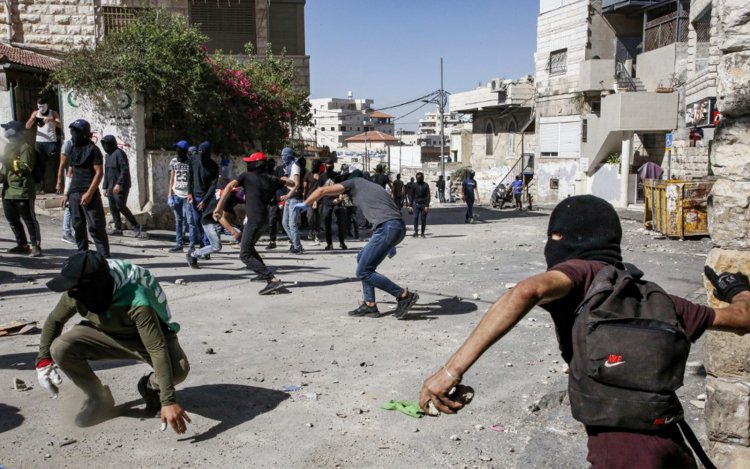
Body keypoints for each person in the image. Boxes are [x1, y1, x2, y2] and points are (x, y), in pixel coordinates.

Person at [418, 195, 750, 469]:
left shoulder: (581, 274)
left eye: (553, 237)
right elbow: (741, 317)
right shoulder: (656, 296)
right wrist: (736, 288)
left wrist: (449, 371)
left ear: (561, 238)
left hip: (617, 457)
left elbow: (525, 291)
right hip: (674, 450)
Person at [36, 251, 191, 431]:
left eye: (76, 288)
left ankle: (149, 387)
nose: (71, 292)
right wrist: (43, 360)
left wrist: (168, 400)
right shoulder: (76, 291)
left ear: (94, 287)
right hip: (104, 334)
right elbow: (55, 320)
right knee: (60, 348)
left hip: (143, 338)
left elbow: (156, 348)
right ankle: (99, 398)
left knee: (177, 371)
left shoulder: (135, 297)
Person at [298, 170, 419, 319]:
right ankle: (370, 305)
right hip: (395, 227)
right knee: (362, 259)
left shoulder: (354, 182)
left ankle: (404, 295)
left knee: (363, 272)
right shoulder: (376, 188)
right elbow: (388, 210)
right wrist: (391, 241)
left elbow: (322, 190)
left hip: (388, 228)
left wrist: (305, 204)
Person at [215, 152, 295, 295]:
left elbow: (228, 187)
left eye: (250, 162)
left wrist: (219, 207)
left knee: (244, 254)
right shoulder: (272, 179)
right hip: (263, 220)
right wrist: (283, 179)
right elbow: (293, 183)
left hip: (253, 220)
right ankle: (263, 274)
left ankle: (272, 280)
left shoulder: (246, 177)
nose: (247, 164)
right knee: (249, 248)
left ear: (257, 164)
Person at [64, 119, 110, 257]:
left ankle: (105, 259)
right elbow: (70, 172)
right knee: (77, 226)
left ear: (84, 134)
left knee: (96, 227)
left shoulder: (93, 150)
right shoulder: (73, 149)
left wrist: (90, 193)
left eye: (77, 131)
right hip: (73, 193)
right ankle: (82, 257)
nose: (73, 134)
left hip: (89, 193)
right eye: (72, 131)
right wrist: (66, 193)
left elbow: (99, 172)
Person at [1, 121, 42, 256]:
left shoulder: (25, 148)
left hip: (22, 190)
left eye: (8, 129)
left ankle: (36, 246)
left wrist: (8, 160)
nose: (6, 132)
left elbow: (26, 167)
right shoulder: (7, 147)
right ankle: (22, 244)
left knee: (29, 219)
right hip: (8, 191)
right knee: (12, 219)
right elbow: (4, 171)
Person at [186, 185, 243, 269]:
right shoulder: (230, 196)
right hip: (209, 222)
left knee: (243, 237)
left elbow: (228, 208)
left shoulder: (231, 194)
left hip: (218, 221)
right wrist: (233, 232)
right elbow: (219, 216)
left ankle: (250, 261)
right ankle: (192, 254)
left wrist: (236, 219)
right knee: (216, 246)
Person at [101, 135, 141, 237]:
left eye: (107, 144)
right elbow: (107, 172)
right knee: (113, 207)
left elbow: (124, 170)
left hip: (121, 185)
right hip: (110, 185)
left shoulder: (119, 154)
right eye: (104, 144)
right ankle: (118, 228)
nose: (105, 146)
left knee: (120, 206)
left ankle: (135, 225)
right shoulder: (107, 156)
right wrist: (104, 186)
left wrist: (119, 183)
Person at [167, 140, 198, 253]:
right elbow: (171, 178)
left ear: (184, 151)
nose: (177, 151)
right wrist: (169, 194)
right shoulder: (173, 161)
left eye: (179, 149)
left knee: (190, 221)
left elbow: (194, 179)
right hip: (176, 194)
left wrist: (192, 194)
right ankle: (178, 244)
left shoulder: (190, 162)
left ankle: (192, 246)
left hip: (187, 195)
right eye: (176, 149)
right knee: (178, 220)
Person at [24, 97, 60, 193]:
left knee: (53, 165)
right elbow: (27, 126)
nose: (41, 108)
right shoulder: (36, 113)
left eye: (43, 106)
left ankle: (57, 187)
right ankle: (40, 187)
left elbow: (59, 124)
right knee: (39, 165)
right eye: (39, 106)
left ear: (47, 105)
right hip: (39, 142)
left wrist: (51, 120)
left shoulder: (53, 113)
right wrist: (32, 119)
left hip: (51, 142)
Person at [187, 141, 219, 248]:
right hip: (195, 197)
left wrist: (204, 201)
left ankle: (206, 245)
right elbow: (190, 178)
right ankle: (203, 243)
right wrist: (189, 193)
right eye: (199, 152)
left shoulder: (214, 166)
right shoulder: (193, 160)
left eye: (203, 153)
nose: (201, 155)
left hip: (207, 199)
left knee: (205, 222)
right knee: (196, 221)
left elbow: (212, 186)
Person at [280, 147, 305, 254]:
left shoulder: (295, 166)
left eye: (284, 155)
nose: (283, 158)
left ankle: (297, 246)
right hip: (290, 197)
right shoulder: (288, 167)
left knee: (292, 223)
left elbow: (297, 184)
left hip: (294, 197)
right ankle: (295, 242)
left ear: (289, 156)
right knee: (285, 223)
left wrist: (287, 195)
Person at [321, 160, 347, 250]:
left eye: (330, 165)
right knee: (327, 223)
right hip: (327, 202)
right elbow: (319, 189)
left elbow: (342, 187)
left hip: (337, 202)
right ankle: (329, 244)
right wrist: (316, 201)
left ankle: (342, 242)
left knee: (340, 222)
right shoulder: (322, 176)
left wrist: (340, 198)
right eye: (327, 165)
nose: (329, 167)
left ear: (333, 166)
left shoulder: (337, 176)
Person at [56, 137, 75, 244]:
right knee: (69, 206)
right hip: (71, 179)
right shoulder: (69, 144)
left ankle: (79, 233)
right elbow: (62, 165)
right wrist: (59, 181)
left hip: (81, 180)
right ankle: (66, 232)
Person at [303, 158, 324, 245]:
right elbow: (305, 187)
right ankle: (312, 230)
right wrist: (304, 199)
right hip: (310, 199)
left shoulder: (322, 175)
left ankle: (317, 235)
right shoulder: (308, 174)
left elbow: (322, 188)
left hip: (320, 200)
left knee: (318, 218)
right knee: (310, 216)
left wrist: (319, 179)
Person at [265, 157, 284, 250]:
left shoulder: (276, 173)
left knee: (273, 220)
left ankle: (272, 241)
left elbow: (278, 186)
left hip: (274, 200)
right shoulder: (263, 173)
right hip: (264, 200)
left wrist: (277, 198)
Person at [408, 172, 430, 238]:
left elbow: (428, 195)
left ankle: (422, 233)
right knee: (415, 218)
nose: (419, 180)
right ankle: (416, 232)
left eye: (420, 178)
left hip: (423, 205)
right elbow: (411, 195)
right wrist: (410, 206)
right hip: (416, 204)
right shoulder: (414, 185)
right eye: (417, 179)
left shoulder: (426, 185)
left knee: (423, 219)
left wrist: (427, 205)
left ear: (422, 178)